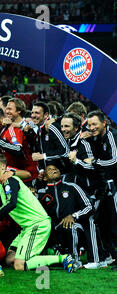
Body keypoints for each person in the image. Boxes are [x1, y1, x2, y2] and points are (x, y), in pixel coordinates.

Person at [0, 153, 75, 272]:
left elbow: (11, 204)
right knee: (9, 258)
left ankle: (63, 258)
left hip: (37, 224)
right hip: (27, 227)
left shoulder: (10, 180)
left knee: (19, 265)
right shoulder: (1, 184)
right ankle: (47, 253)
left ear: (3, 167)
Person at [37, 164, 108, 269]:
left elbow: (89, 207)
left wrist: (73, 216)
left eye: (55, 168)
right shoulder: (41, 193)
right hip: (53, 228)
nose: (54, 169)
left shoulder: (71, 187)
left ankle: (78, 260)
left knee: (76, 224)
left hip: (74, 224)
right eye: (49, 169)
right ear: (45, 177)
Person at [85, 110, 117, 266]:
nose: (91, 127)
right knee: (106, 220)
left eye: (94, 124)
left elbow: (115, 160)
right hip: (106, 184)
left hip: (114, 184)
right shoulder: (97, 137)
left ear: (104, 123)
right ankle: (113, 255)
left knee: (114, 219)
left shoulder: (112, 136)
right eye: (89, 124)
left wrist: (94, 162)